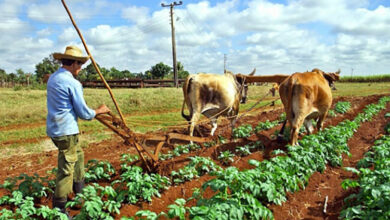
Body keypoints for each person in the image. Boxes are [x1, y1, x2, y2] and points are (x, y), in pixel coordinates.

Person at [46, 45, 110, 217]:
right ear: (73, 63)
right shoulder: (72, 83)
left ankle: (80, 193)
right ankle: (60, 211)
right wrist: (99, 111)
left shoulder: (53, 78)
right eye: (80, 64)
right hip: (65, 131)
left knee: (78, 155)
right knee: (66, 169)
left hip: (54, 128)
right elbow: (84, 113)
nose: (81, 68)